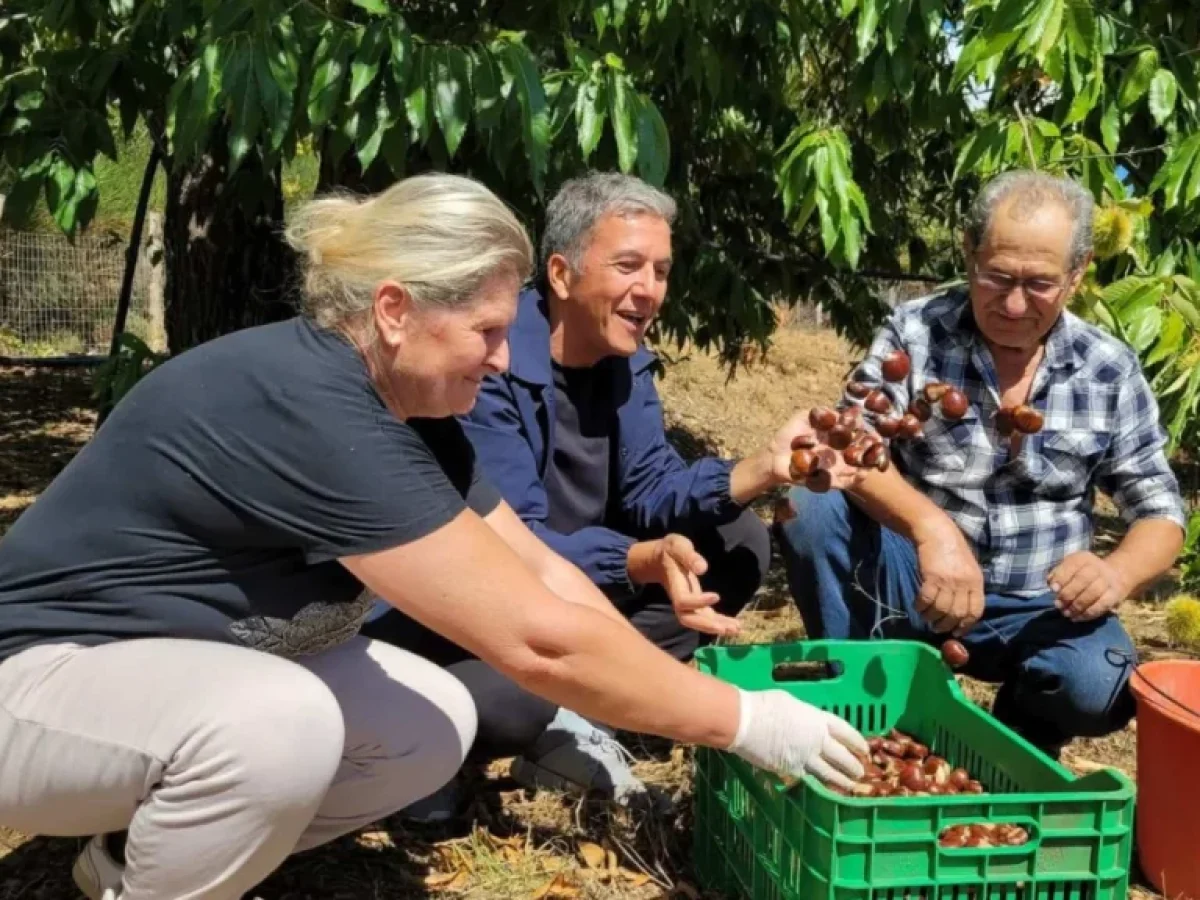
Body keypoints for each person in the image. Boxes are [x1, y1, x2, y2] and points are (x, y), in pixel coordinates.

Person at [0, 172, 869, 900]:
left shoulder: (414, 411)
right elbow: (536, 643)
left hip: (165, 671)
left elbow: (543, 578)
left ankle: (125, 864)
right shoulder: (309, 402)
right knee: (280, 725)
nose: (501, 359)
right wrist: (744, 721)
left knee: (432, 725)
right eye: (487, 331)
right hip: (39, 677)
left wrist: (702, 695)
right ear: (393, 310)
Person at [365, 171, 833, 813]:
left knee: (737, 541)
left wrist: (762, 468)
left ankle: (600, 708)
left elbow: (649, 489)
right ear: (561, 274)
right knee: (518, 695)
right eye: (628, 266)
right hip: (480, 607)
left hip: (577, 588)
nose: (650, 291)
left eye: (662, 271)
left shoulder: (625, 362)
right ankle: (435, 743)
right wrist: (639, 560)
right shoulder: (487, 363)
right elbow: (509, 547)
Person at [776, 170, 1187, 757]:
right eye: (997, 276)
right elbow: (849, 447)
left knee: (1097, 686)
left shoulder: (1107, 368)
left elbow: (1160, 510)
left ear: (1078, 273)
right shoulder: (916, 333)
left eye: (1040, 283)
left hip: (1038, 601)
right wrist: (932, 530)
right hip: (914, 583)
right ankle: (868, 700)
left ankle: (1017, 739)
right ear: (969, 252)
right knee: (810, 505)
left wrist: (1115, 574)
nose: (1015, 304)